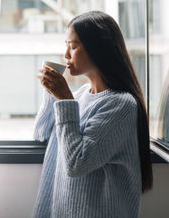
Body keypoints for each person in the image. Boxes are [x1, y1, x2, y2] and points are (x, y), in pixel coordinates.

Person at [31, 11, 153, 218]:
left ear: (99, 49)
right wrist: (52, 94)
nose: (66, 55)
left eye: (73, 46)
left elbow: (77, 163)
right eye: (66, 45)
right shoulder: (78, 97)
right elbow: (41, 133)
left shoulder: (121, 104)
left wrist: (64, 99)